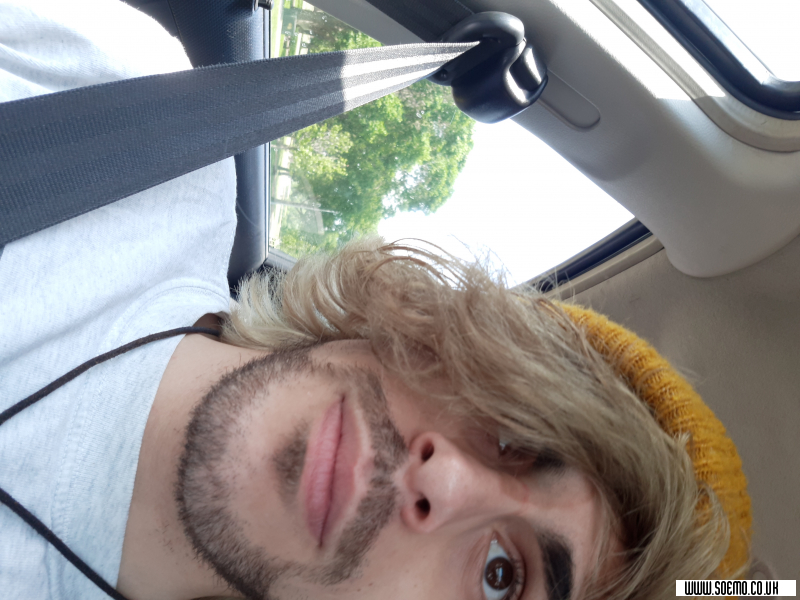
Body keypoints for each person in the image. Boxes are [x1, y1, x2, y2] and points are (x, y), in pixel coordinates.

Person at [0, 1, 750, 600]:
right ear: (441, 332)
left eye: (501, 579)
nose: (444, 478)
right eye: (515, 428)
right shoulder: (128, 116)